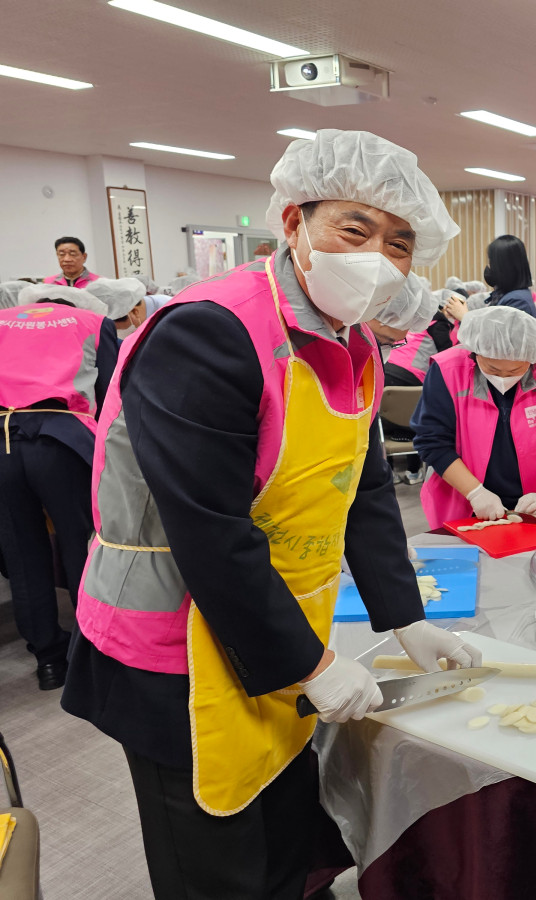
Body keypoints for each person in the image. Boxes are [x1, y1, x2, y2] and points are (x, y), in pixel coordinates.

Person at [60, 129, 479, 900]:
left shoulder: (351, 339)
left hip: (276, 632)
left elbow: (365, 486)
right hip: (174, 650)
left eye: (400, 243)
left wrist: (403, 616)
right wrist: (311, 666)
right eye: (354, 228)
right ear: (293, 221)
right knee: (221, 870)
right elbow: (209, 529)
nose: (378, 257)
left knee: (292, 852)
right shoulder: (209, 330)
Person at [0, 284, 117, 689]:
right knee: (82, 547)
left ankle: (48, 661)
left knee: (22, 554)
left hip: (2, 440)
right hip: (61, 440)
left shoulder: (1, 322)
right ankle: (93, 651)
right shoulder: (93, 321)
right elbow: (112, 397)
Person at [412, 305, 536, 528]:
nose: (504, 378)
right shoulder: (447, 371)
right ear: (476, 352)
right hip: (461, 498)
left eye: (515, 371)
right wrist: (475, 493)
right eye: (493, 369)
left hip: (530, 503)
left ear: (532, 359)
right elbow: (432, 441)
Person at [384, 288, 466, 386]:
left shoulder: (422, 318)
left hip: (387, 365)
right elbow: (446, 353)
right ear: (444, 306)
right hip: (408, 374)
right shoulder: (440, 324)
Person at [483, 235, 536, 317]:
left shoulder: (516, 301)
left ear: (504, 267)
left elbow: (493, 329)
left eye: (491, 261)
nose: (489, 266)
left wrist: (464, 316)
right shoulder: (508, 296)